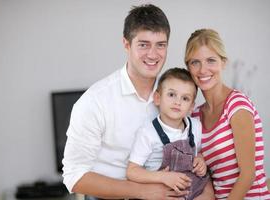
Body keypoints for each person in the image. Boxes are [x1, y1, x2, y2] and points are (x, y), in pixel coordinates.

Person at [62, 4, 190, 199]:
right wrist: (145, 192)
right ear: (126, 44)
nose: (153, 54)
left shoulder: (174, 96)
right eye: (143, 44)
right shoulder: (94, 101)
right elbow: (74, 176)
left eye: (160, 45)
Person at [185, 28, 270, 199]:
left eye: (211, 60)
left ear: (223, 62)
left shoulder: (237, 105)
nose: (203, 70)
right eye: (195, 62)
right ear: (188, 67)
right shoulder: (194, 116)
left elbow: (248, 175)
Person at [126, 67, 213, 200]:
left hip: (190, 186)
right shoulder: (148, 133)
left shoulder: (195, 126)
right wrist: (163, 177)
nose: (177, 102)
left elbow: (199, 151)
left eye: (185, 98)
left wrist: (200, 160)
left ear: (191, 107)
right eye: (171, 95)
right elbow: (132, 171)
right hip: (162, 190)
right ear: (157, 98)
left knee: (209, 192)